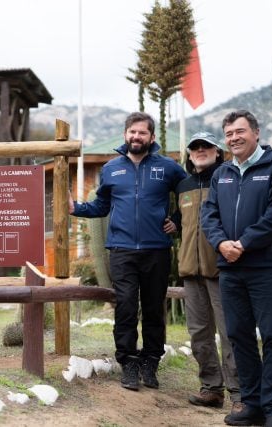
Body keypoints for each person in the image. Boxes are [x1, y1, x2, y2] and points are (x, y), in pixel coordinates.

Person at [68, 112, 186, 391]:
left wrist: (179, 220)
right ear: (125, 134)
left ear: (152, 137)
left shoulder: (168, 167)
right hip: (121, 250)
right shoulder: (111, 169)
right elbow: (101, 206)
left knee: (155, 310)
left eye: (142, 133)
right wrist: (77, 209)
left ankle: (151, 361)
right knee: (127, 308)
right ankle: (129, 362)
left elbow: (191, 194)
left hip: (157, 250)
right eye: (132, 132)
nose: (136, 137)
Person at [201, 110, 272, 427]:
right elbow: (209, 215)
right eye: (228, 134)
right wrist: (220, 243)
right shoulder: (221, 173)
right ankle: (251, 403)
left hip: (267, 267)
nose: (234, 138)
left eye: (239, 131)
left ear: (256, 133)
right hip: (230, 268)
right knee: (238, 336)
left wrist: (243, 243)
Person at [174, 132, 241, 411]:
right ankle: (211, 388)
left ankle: (240, 394)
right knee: (199, 334)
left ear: (217, 152)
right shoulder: (182, 186)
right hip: (191, 270)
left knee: (231, 333)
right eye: (195, 148)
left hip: (223, 270)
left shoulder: (228, 179)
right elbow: (178, 222)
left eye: (207, 147)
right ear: (189, 155)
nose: (200, 150)